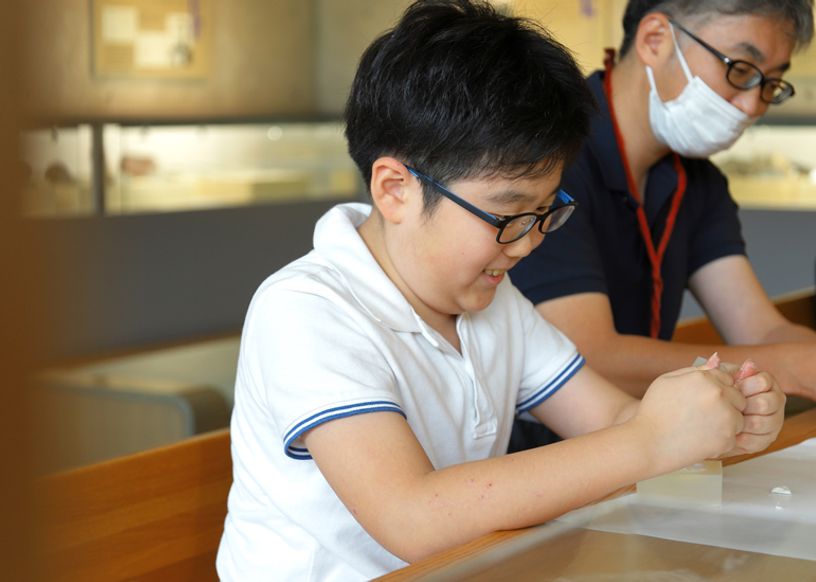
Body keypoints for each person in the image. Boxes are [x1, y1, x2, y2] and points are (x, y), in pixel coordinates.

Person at [216, 2, 786, 580]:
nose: (528, 243)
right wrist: (651, 441)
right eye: (509, 215)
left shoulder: (493, 302)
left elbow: (613, 417)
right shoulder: (307, 311)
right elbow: (412, 517)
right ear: (395, 189)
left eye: (546, 213)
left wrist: (712, 425)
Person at [508, 0, 816, 440]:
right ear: (655, 40)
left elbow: (761, 328)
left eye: (771, 83)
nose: (753, 106)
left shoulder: (696, 179)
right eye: (741, 70)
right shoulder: (552, 158)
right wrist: (804, 368)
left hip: (644, 443)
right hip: (538, 451)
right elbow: (589, 356)